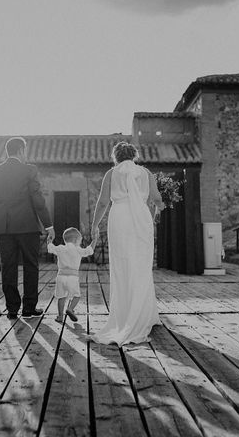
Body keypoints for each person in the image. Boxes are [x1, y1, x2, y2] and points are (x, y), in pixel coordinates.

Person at [90, 141, 164, 345]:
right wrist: (161, 207)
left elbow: (103, 202)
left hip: (120, 218)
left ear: (116, 156)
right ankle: (143, 314)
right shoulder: (146, 173)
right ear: (134, 155)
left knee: (122, 265)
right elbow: (157, 199)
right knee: (141, 264)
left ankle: (124, 315)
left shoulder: (112, 174)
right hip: (141, 219)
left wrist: (94, 225)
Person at [0, 137, 55, 319]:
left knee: (8, 267)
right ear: (21, 150)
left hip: (2, 228)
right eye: (25, 150)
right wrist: (49, 225)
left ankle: (12, 309)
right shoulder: (29, 170)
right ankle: (29, 308)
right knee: (31, 265)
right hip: (27, 226)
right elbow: (37, 199)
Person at [47, 227, 97, 323]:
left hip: (61, 276)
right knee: (76, 296)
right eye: (80, 240)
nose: (80, 243)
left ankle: (60, 316)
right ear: (76, 240)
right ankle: (70, 309)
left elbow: (50, 248)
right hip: (73, 277)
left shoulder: (61, 248)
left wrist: (49, 240)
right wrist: (94, 239)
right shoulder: (78, 249)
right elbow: (89, 250)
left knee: (61, 297)